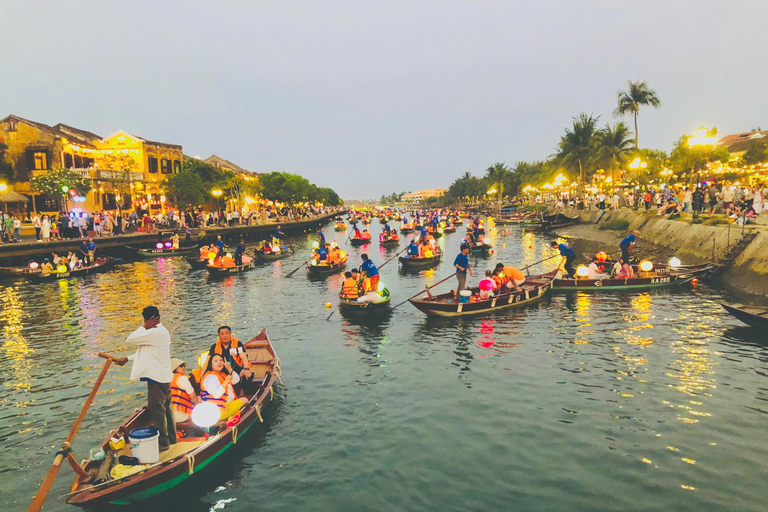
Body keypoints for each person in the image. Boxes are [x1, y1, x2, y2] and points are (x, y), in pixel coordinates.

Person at [114, 306, 176, 451]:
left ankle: (163, 442)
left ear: (148, 320)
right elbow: (147, 352)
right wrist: (127, 359)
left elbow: (130, 339)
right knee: (166, 409)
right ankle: (171, 439)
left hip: (156, 378)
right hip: (162, 376)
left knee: (157, 410)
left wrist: (144, 326)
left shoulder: (155, 332)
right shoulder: (160, 332)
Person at [200, 354, 247, 421]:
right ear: (211, 365)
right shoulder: (210, 377)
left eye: (221, 360)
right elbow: (216, 395)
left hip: (224, 406)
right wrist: (226, 382)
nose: (219, 362)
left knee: (241, 402)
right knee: (245, 400)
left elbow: (236, 380)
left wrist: (229, 368)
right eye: (215, 361)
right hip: (219, 411)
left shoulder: (222, 375)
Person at [170, 358, 199, 423]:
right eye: (181, 366)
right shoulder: (182, 378)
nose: (183, 367)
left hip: (169, 414)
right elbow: (193, 396)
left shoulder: (168, 379)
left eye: (184, 365)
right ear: (175, 368)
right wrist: (198, 405)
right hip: (181, 414)